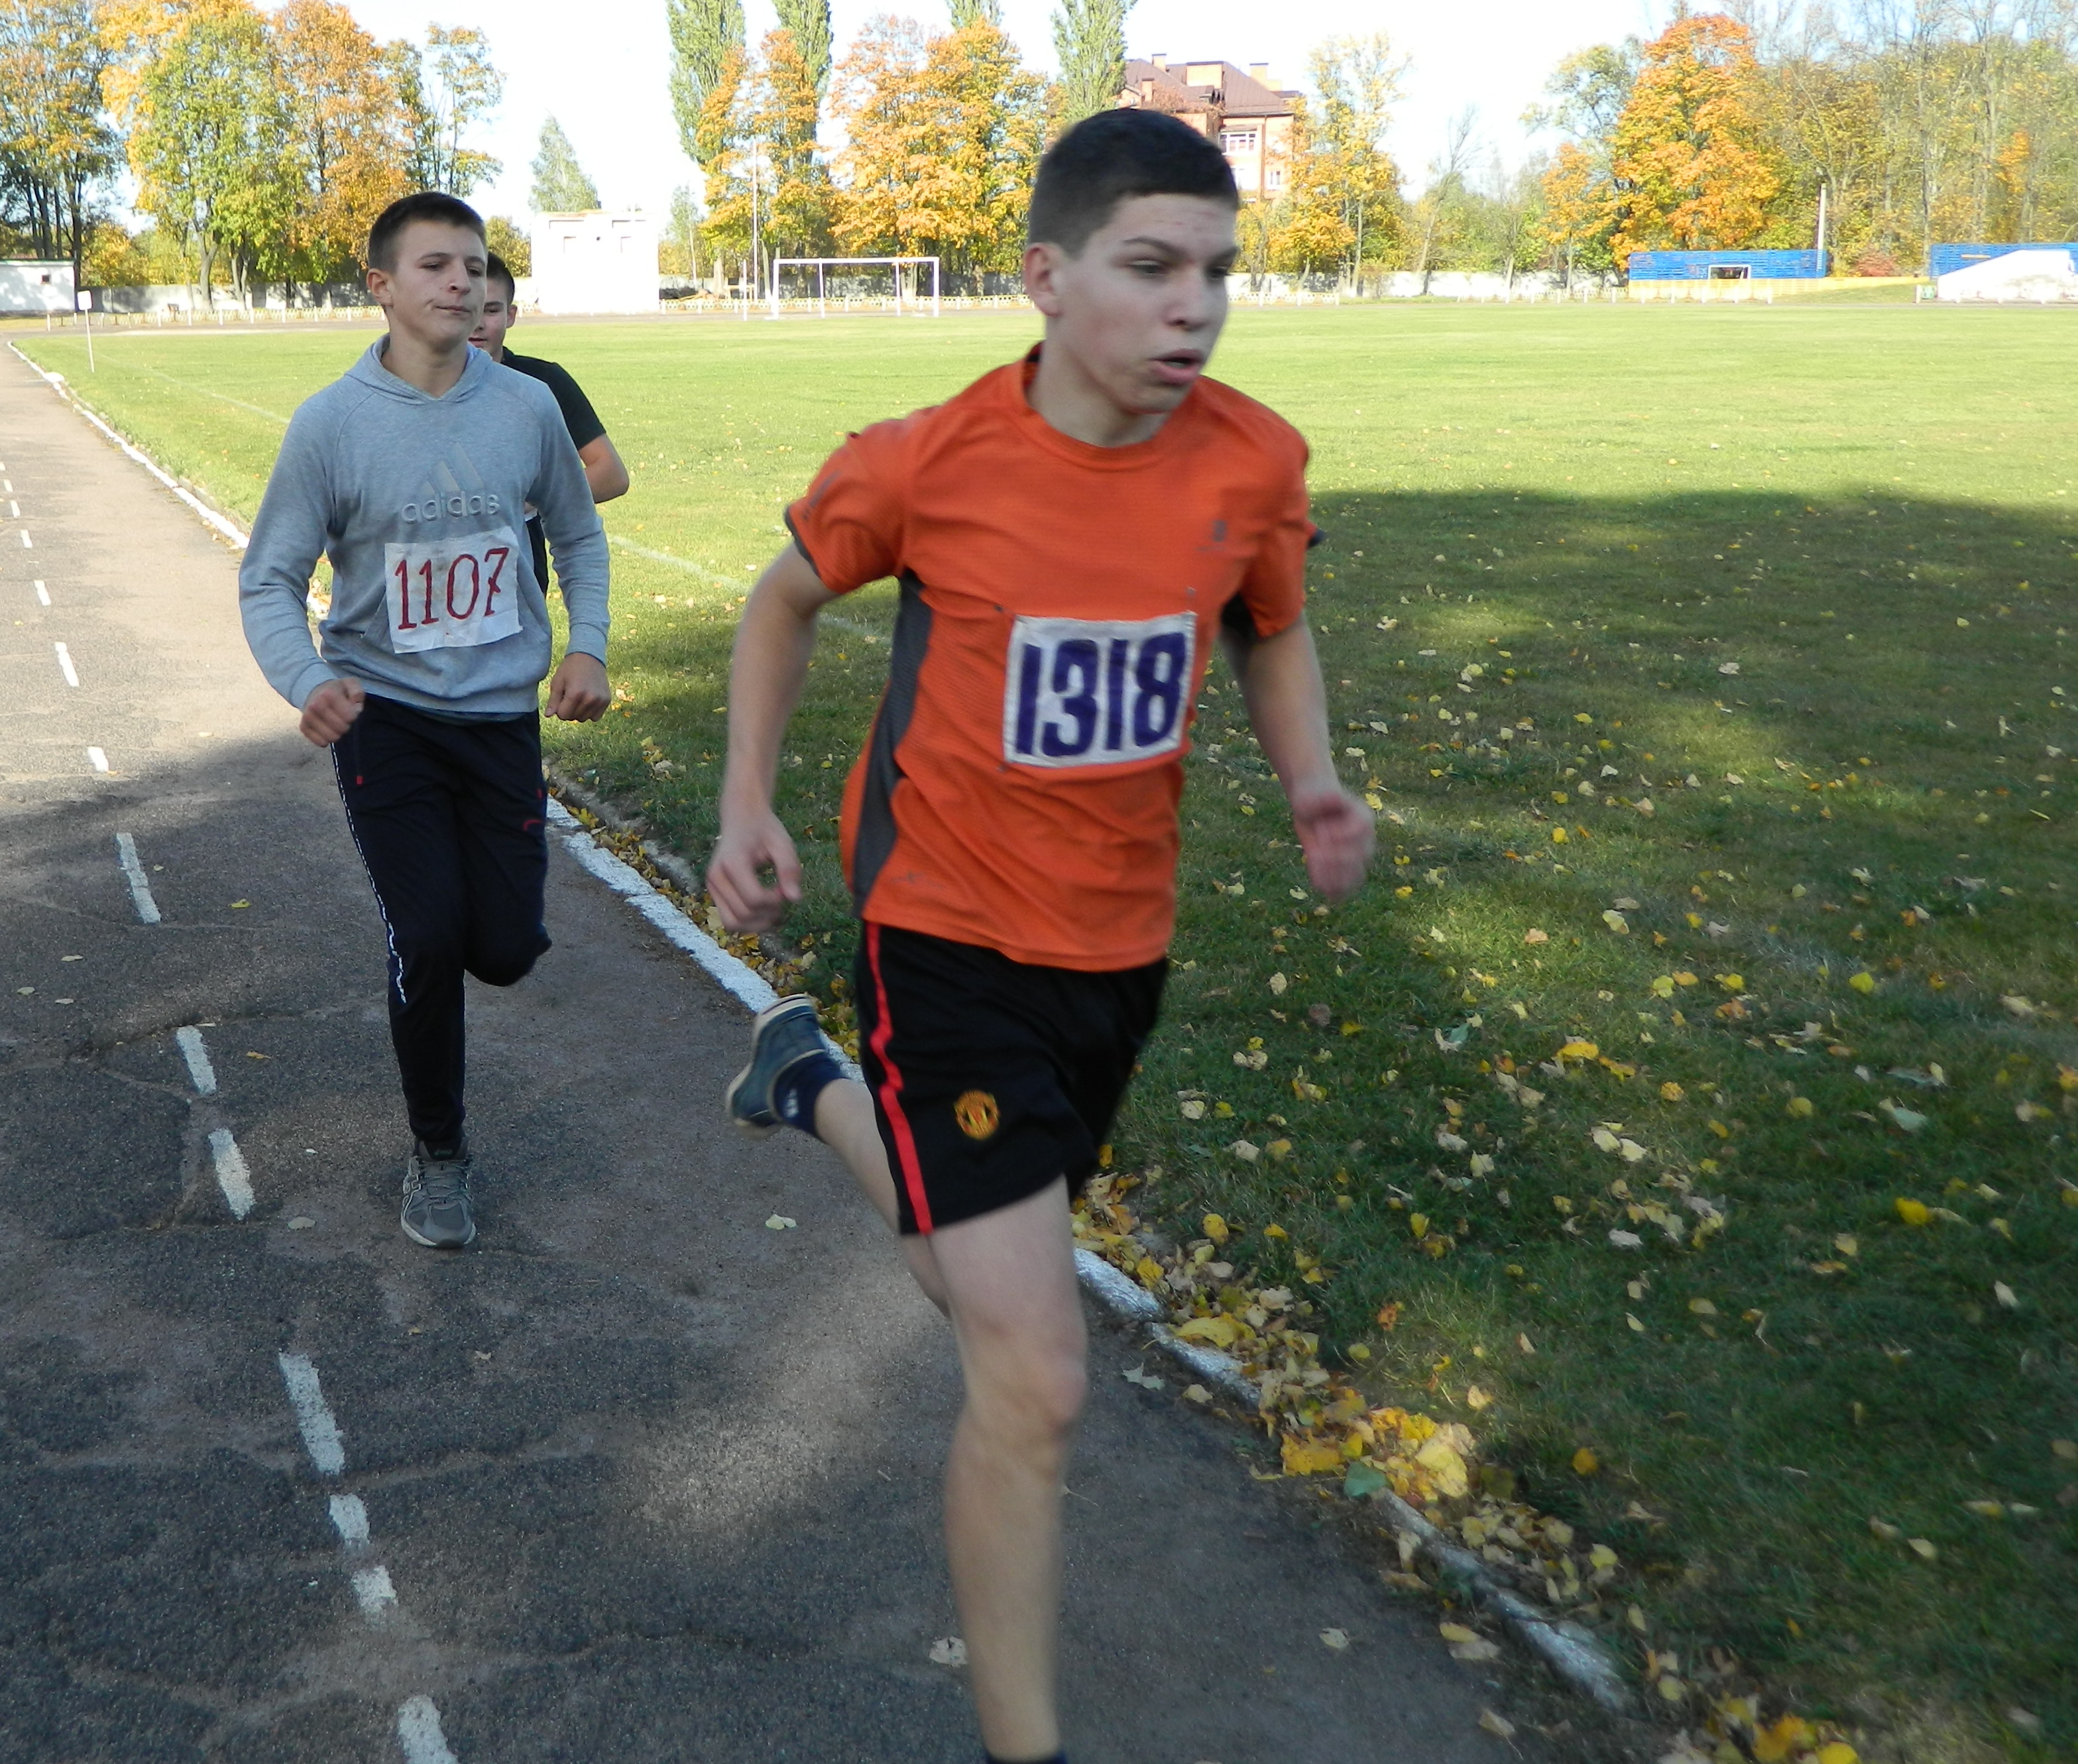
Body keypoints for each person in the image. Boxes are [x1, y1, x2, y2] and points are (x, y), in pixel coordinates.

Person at [705, 109, 1373, 1764]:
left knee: (971, 1278)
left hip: (1117, 948)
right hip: (944, 929)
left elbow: (1271, 628)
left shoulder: (1253, 461)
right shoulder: (930, 460)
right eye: (1151, 267)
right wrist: (745, 802)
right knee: (1039, 1370)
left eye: (1218, 271)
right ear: (1046, 277)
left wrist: (1313, 780)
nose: (1193, 306)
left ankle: (810, 1083)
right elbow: (782, 600)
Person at [237, 192, 612, 1252]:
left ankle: (488, 939)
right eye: (437, 266)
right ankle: (439, 1154)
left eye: (475, 265)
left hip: (500, 721)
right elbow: (269, 579)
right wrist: (305, 680)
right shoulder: (332, 425)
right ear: (383, 287)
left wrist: (586, 646)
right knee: (431, 933)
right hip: (384, 718)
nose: (461, 284)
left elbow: (581, 539)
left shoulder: (527, 408)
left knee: (500, 949)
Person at [471, 252, 630, 589]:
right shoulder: (418, 388)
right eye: (470, 307)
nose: (478, 323)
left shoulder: (542, 383)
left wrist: (528, 501)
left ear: (511, 315)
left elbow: (611, 475)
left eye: (492, 309)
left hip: (520, 581)